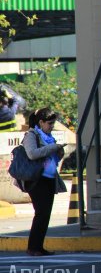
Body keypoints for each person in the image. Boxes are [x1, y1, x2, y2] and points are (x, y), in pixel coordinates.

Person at [22, 108, 66, 257]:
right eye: (49, 123)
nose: (52, 126)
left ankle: (39, 247)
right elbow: (32, 154)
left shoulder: (49, 137)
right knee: (40, 213)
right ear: (40, 122)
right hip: (37, 180)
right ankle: (33, 247)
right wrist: (53, 147)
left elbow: (50, 158)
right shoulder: (31, 135)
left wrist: (59, 153)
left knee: (45, 214)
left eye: (53, 123)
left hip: (49, 179)